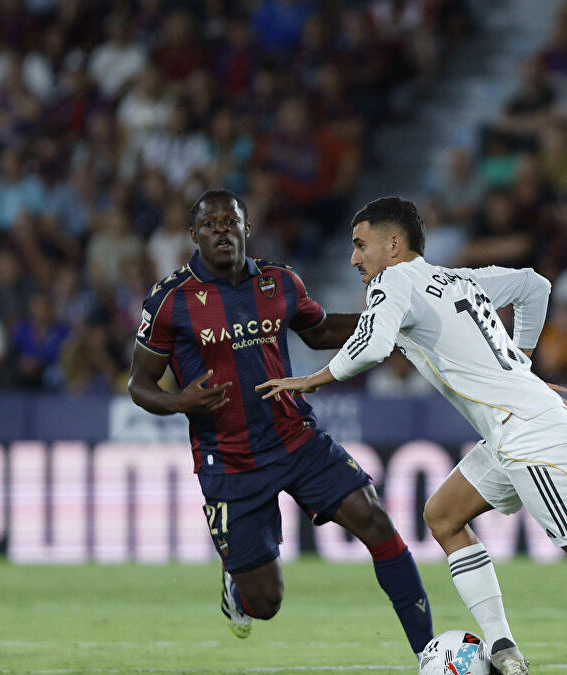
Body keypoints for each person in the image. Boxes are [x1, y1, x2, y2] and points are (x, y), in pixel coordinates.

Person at [256, 197, 567, 675]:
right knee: (444, 514)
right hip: (514, 429)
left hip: (526, 434)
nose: (353, 259)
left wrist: (312, 379)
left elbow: (371, 346)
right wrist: (521, 365)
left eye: (360, 245)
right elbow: (534, 285)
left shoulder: (394, 281)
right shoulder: (457, 278)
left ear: (393, 245)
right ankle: (503, 648)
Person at [126, 190, 434, 660]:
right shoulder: (169, 300)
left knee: (375, 520)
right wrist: (178, 401)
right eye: (209, 224)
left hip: (296, 437)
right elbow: (139, 384)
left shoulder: (279, 282)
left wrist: (392, 322)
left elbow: (321, 331)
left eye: (230, 221)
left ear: (246, 228)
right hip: (230, 460)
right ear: (193, 235)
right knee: (266, 603)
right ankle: (238, 589)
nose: (221, 230)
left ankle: (428, 654)